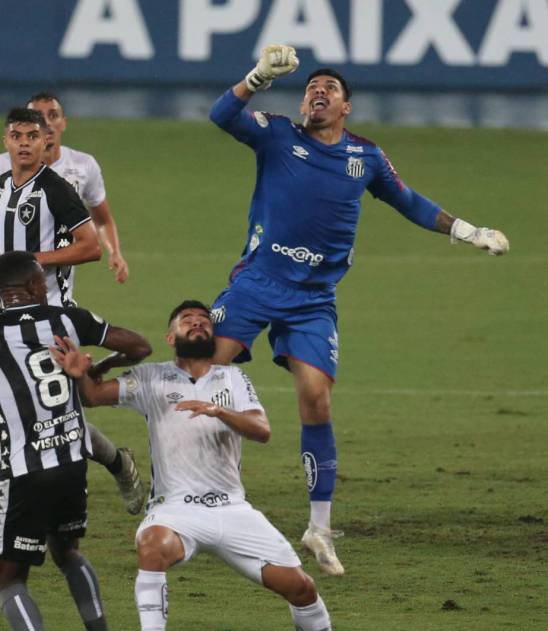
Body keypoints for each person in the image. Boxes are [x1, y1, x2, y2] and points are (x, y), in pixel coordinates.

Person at [207, 46, 510, 576]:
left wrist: (468, 231)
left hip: (313, 300)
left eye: (329, 89)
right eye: (310, 88)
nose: (316, 93)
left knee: (316, 399)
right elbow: (221, 115)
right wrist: (255, 77)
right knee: (206, 365)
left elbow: (407, 200)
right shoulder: (277, 133)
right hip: (258, 281)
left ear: (345, 107)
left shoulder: (364, 157)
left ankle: (319, 530)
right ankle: (187, 493)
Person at [51, 300, 333, 631]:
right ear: (171, 337)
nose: (198, 323)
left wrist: (220, 412)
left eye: (204, 320)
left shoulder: (233, 378)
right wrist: (80, 373)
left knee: (302, 589)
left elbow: (262, 431)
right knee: (152, 546)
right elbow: (94, 396)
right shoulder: (151, 377)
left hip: (232, 509)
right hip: (176, 509)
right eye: (187, 320)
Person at [0, 108, 146, 558]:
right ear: (5, 141)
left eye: (32, 136)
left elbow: (90, 247)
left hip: (54, 319)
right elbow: (8, 241)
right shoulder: (2, 185)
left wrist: (34, 261)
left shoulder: (58, 189)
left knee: (58, 420)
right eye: (16, 135)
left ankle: (117, 462)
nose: (23, 143)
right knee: (5, 422)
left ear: (46, 143)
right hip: (7, 319)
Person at [0, 250, 152, 631]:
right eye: (43, 282)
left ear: (1, 290)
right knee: (68, 554)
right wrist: (96, 367)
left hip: (24, 472)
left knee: (7, 579)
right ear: (33, 285)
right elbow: (139, 346)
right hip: (71, 462)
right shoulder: (68, 320)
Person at [0, 91, 128, 288]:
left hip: (52, 288)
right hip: (7, 283)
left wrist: (115, 251)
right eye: (38, 117)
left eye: (53, 116)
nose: (46, 122)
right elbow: (5, 228)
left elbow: (100, 226)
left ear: (63, 122)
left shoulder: (77, 171)